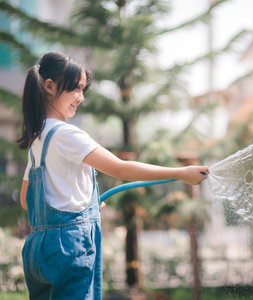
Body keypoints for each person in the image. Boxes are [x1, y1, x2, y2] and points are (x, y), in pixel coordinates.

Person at [18, 51, 209, 299]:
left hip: (38, 251)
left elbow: (26, 200)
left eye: (83, 90)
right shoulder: (66, 135)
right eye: (75, 89)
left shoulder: (38, 140)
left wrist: (81, 204)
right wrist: (181, 173)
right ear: (50, 87)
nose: (81, 98)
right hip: (69, 249)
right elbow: (120, 168)